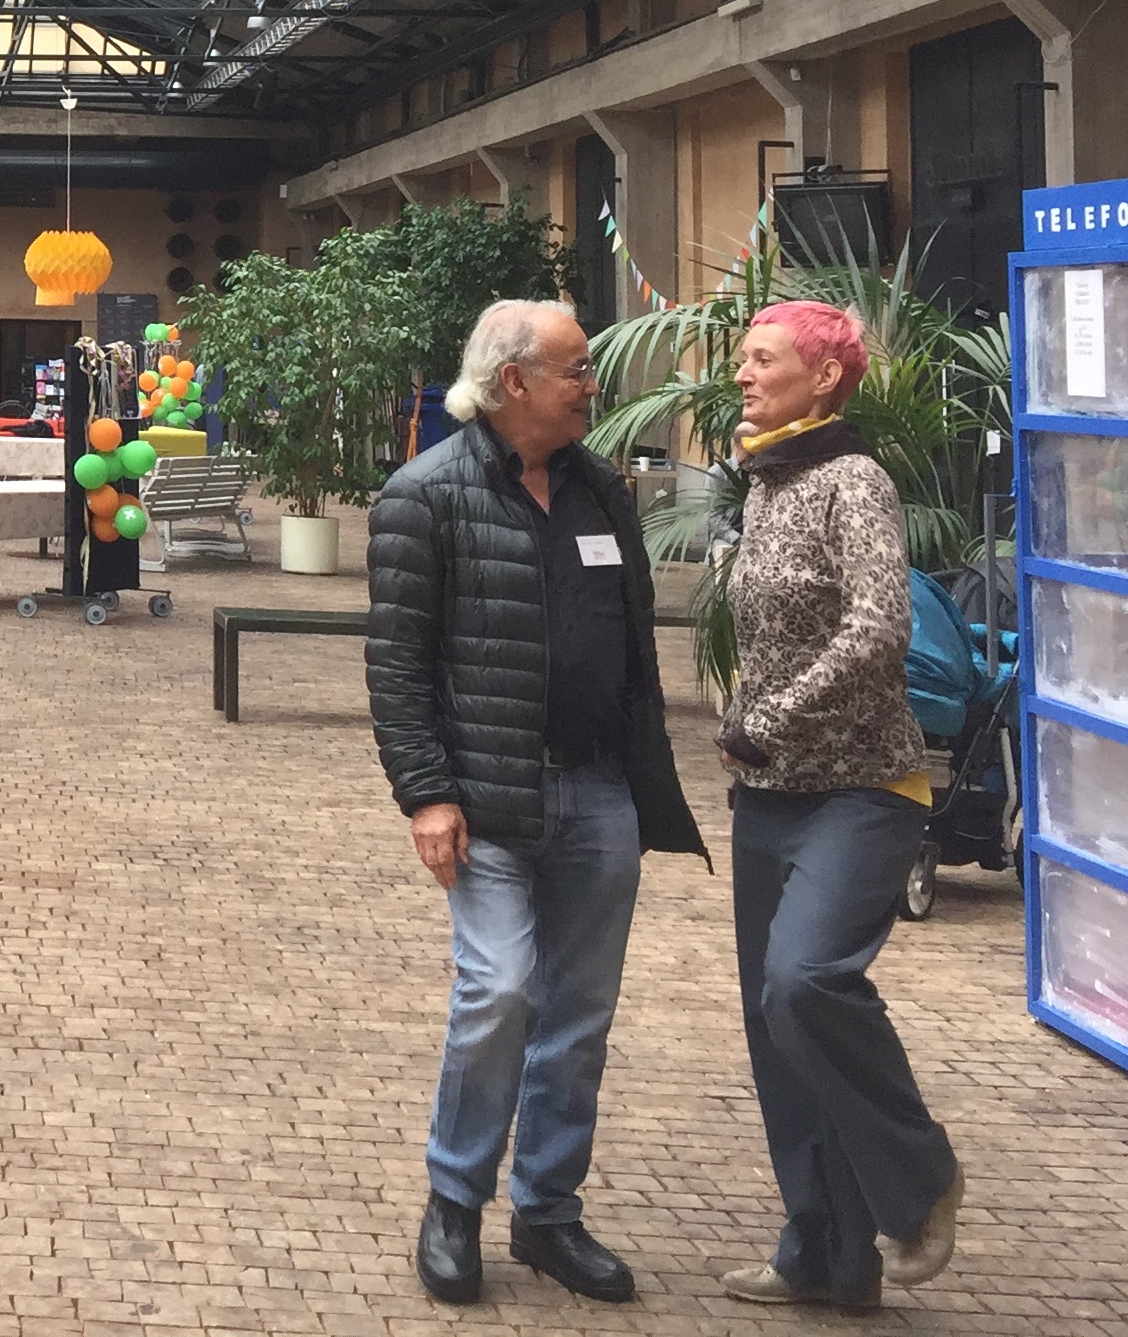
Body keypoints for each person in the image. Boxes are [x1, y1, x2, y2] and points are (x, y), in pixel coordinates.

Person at [367, 299, 702, 1309]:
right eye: (576, 368)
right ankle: (455, 1199)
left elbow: (635, 645)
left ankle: (550, 1214)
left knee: (581, 1016)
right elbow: (397, 665)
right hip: (488, 799)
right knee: (500, 991)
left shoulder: (604, 494)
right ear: (514, 382)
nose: (592, 384)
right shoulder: (424, 497)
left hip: (600, 792)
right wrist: (427, 794)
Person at [715, 300, 963, 1311]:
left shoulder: (852, 481)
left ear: (823, 378)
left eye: (762, 357)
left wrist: (770, 711)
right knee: (779, 1031)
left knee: (805, 982)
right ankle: (826, 1256)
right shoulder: (768, 480)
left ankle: (921, 1181)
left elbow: (879, 627)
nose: (741, 373)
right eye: (741, 358)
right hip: (767, 794)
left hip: (864, 787)